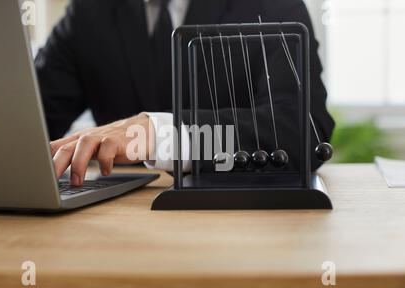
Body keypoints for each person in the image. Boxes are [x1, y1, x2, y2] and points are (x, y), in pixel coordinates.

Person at [36, 0, 335, 186]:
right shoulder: (87, 14)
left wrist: (161, 135)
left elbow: (303, 129)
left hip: (239, 228)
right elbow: (28, 124)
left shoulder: (273, 7)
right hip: (115, 229)